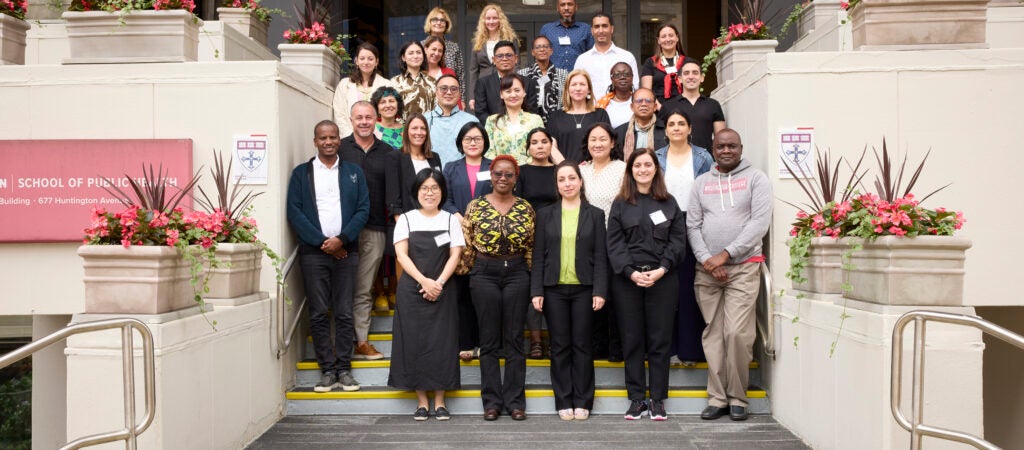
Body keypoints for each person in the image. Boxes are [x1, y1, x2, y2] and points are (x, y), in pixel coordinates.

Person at [688, 129, 771, 422]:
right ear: (712, 149)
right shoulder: (701, 183)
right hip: (707, 270)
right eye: (720, 146)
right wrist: (707, 260)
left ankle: (738, 396)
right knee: (714, 333)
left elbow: (759, 223)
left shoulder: (756, 179)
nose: (726, 150)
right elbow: (693, 226)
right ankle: (718, 397)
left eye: (731, 146)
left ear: (740, 148)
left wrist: (726, 254)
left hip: (743, 267)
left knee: (736, 333)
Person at [286, 120, 370, 393]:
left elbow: (363, 209)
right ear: (315, 141)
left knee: (344, 312)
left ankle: (344, 369)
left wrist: (342, 240)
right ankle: (327, 370)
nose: (329, 142)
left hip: (347, 252)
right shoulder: (302, 174)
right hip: (314, 255)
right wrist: (324, 242)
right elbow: (295, 212)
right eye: (323, 137)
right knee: (320, 312)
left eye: (333, 137)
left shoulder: (353, 172)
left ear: (339, 141)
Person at [607, 147, 688, 421]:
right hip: (627, 281)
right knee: (632, 340)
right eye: (637, 165)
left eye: (648, 165)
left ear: (656, 169)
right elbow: (614, 244)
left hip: (662, 280)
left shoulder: (669, 203)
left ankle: (657, 400)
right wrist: (631, 272)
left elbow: (678, 242)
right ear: (630, 170)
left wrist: (662, 269)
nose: (643, 169)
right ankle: (637, 399)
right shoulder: (620, 204)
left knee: (660, 341)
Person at [458, 154, 535, 421]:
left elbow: (531, 247)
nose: (503, 179)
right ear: (491, 176)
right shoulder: (475, 206)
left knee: (514, 338)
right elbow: (467, 243)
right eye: (498, 174)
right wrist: (463, 273)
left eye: (509, 175)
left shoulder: (525, 207)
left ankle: (515, 402)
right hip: (484, 273)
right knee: (489, 340)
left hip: (516, 273)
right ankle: (491, 402)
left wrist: (531, 278)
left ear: (516, 177)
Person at [530, 160, 608, 421]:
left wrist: (599, 290)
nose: (568, 183)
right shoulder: (545, 214)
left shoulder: (595, 214)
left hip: (585, 289)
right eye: (562, 179)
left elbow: (600, 255)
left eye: (572, 178)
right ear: (557, 184)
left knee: (582, 345)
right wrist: (537, 290)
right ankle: (563, 399)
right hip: (553, 289)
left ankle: (584, 400)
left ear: (580, 181)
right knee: (560, 345)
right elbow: (538, 254)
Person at [388, 169, 464, 421]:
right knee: (415, 342)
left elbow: (455, 254)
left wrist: (439, 283)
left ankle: (440, 401)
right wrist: (424, 281)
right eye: (424, 188)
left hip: (444, 288)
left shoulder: (451, 219)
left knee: (442, 343)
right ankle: (422, 402)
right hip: (412, 289)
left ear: (442, 192)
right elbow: (402, 255)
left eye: (434, 188)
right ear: (416, 192)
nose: (429, 193)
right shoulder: (407, 219)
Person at [655, 110, 713, 365]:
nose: (676, 128)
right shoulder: (656, 158)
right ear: (665, 130)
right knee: (666, 290)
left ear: (690, 128)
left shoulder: (703, 157)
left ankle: (691, 350)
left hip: (694, 224)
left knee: (690, 288)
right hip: (663, 224)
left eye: (681, 124)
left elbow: (711, 192)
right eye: (671, 124)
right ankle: (668, 350)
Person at [338, 101, 394, 360]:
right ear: (351, 120)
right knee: (341, 287)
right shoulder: (339, 149)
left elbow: (393, 194)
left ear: (376, 119)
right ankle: (339, 342)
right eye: (359, 117)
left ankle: (360, 341)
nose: (364, 122)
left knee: (363, 288)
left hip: (374, 229)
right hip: (342, 232)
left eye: (368, 117)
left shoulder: (388, 153)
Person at [442, 122, 492, 362]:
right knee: (462, 292)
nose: (473, 143)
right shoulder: (451, 168)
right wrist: (459, 216)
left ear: (485, 141)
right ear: (461, 142)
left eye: (478, 138)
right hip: (459, 234)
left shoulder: (493, 167)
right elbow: (444, 198)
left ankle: (486, 342)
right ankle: (466, 342)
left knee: (485, 293)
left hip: (488, 236)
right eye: (468, 138)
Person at [577, 123, 624, 363]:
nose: (598, 143)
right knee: (591, 296)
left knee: (616, 296)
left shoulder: (622, 169)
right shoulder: (580, 171)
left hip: (615, 242)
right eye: (593, 139)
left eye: (603, 139)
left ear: (613, 143)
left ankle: (617, 348)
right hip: (586, 243)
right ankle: (597, 347)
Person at [515, 127, 560, 359]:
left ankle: (556, 338)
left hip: (559, 236)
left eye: (544, 141)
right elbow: (518, 205)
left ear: (551, 145)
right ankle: (535, 341)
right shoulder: (521, 172)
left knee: (555, 289)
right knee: (533, 289)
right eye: (534, 142)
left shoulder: (560, 171)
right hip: (530, 238)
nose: (540, 146)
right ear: (528, 148)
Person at [660, 57, 726, 151]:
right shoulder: (668, 106)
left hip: (706, 161)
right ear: (679, 79)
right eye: (686, 73)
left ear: (702, 78)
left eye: (695, 73)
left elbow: (721, 139)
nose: (691, 76)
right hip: (675, 161)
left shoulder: (713, 105)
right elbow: (661, 138)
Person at [387, 113, 443, 222]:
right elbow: (393, 201)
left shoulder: (434, 157)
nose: (419, 132)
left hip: (434, 221)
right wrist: (404, 229)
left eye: (423, 128)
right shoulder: (394, 158)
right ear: (406, 132)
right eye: (414, 128)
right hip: (407, 222)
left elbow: (439, 190)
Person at [546, 70, 610, 163]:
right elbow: (551, 147)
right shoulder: (555, 116)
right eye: (574, 84)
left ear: (589, 89)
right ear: (567, 89)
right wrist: (568, 168)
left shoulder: (600, 115)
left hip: (594, 171)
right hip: (564, 172)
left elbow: (605, 145)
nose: (578, 88)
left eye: (582, 84)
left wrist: (589, 167)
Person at [573, 14, 638, 99]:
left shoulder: (627, 57)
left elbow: (634, 87)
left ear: (612, 29)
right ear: (592, 31)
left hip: (620, 109)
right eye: (597, 27)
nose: (601, 31)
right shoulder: (582, 60)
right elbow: (576, 89)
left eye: (604, 26)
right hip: (591, 109)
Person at [334, 43, 393, 136]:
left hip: (380, 138)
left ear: (376, 62)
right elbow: (339, 114)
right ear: (356, 61)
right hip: (350, 138)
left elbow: (391, 112)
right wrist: (351, 137)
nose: (366, 62)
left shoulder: (387, 84)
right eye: (362, 58)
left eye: (370, 59)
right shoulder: (344, 84)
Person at [484, 74, 545, 164]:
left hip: (529, 171)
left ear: (524, 92)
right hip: (501, 173)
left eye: (517, 90)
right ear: (501, 94)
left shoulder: (535, 120)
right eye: (508, 91)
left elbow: (541, 148)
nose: (513, 95)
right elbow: (488, 151)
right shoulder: (492, 121)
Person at [467, 4, 517, 113]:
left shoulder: (509, 39)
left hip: (505, 84)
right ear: (483, 21)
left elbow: (515, 65)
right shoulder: (477, 42)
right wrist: (472, 96)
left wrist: (515, 87)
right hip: (483, 87)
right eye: (488, 18)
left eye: (495, 18)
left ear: (500, 20)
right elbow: (473, 71)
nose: (491, 21)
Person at [475, 41, 537, 124]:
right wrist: (499, 126)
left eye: (509, 55)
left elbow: (532, 111)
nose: (504, 59)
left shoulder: (529, 83)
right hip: (494, 130)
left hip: (522, 130)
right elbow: (481, 113)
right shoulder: (483, 83)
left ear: (516, 59)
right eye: (500, 56)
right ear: (494, 60)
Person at [427, 74, 480, 167]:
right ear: (436, 92)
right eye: (444, 88)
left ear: (460, 93)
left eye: (454, 89)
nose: (449, 92)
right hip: (431, 177)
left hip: (462, 176)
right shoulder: (424, 120)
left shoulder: (471, 121)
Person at [518, 35, 569, 124]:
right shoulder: (522, 74)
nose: (542, 49)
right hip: (529, 122)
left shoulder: (563, 74)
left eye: (545, 46)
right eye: (538, 47)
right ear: (532, 52)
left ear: (551, 51)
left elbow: (567, 100)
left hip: (557, 122)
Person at [422, 7, 466, 104]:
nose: (439, 22)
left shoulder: (454, 47)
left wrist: (462, 100)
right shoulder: (421, 46)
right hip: (425, 97)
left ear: (446, 24)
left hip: (450, 96)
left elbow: (460, 76)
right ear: (429, 22)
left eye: (442, 20)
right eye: (435, 19)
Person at [539, 0, 592, 71]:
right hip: (553, 78)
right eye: (562, 5)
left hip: (578, 77)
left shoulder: (586, 29)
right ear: (557, 8)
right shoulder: (547, 29)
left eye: (570, 4)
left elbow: (592, 55)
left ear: (576, 7)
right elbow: (540, 55)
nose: (566, 8)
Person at [615, 88, 667, 161]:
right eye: (639, 101)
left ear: (655, 107)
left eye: (648, 101)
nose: (643, 104)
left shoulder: (666, 130)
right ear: (632, 107)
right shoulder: (619, 132)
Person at [640, 24, 687, 103]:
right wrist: (662, 109)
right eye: (663, 36)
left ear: (677, 38)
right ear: (658, 40)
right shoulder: (650, 62)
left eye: (671, 35)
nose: (667, 39)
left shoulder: (687, 62)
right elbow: (647, 92)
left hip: (684, 109)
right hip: (658, 109)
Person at [391, 40, 436, 118]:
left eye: (418, 52)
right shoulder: (394, 82)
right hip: (402, 129)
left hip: (427, 128)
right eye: (411, 53)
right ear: (403, 57)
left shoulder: (433, 82)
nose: (415, 56)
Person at [596, 62, 635, 128]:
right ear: (612, 79)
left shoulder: (641, 101)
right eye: (617, 75)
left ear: (632, 77)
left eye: (626, 74)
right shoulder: (602, 105)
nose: (622, 77)